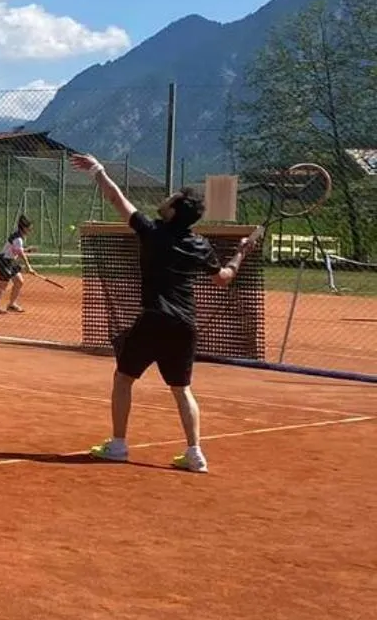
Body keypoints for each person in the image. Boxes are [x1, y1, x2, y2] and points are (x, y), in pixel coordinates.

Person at [71, 154, 259, 472]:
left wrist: (99, 170)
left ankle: (118, 445)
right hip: (184, 325)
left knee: (123, 378)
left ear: (174, 210)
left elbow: (116, 198)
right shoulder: (199, 245)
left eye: (172, 197)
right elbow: (223, 278)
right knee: (181, 389)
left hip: (154, 318)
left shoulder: (151, 231)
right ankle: (195, 453)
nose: (166, 197)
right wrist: (240, 253)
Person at [0, 214, 34, 313]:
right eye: (29, 229)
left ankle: (11, 305)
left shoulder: (19, 238)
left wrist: (27, 250)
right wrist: (28, 267)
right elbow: (21, 254)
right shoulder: (18, 239)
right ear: (24, 228)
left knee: (19, 281)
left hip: (10, 261)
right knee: (3, 284)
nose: (30, 231)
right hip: (3, 261)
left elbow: (15, 250)